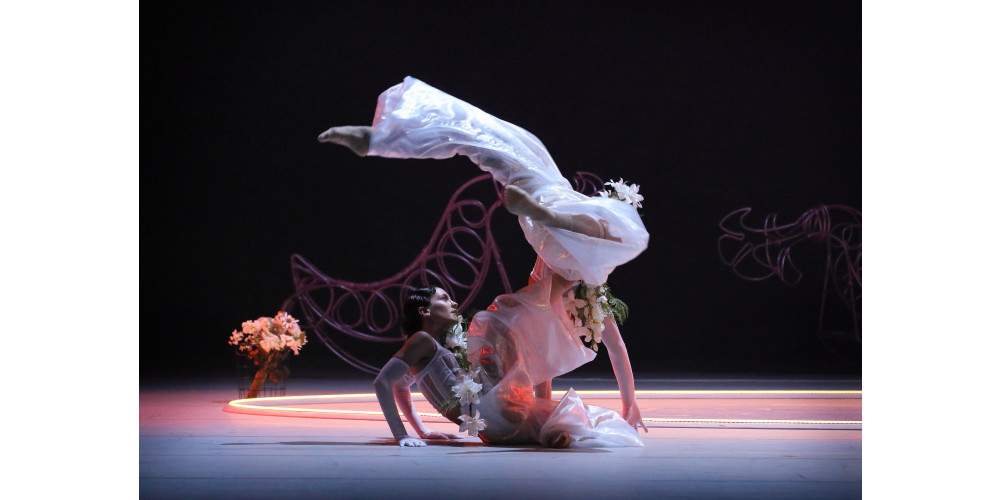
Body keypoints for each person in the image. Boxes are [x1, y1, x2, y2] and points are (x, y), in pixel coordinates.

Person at [321, 77, 650, 447]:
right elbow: (607, 353)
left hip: (545, 247)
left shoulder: (568, 305)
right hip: (549, 242)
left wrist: (420, 432)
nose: (452, 303)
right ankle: (381, 141)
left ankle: (380, 140)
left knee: (509, 146)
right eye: (441, 300)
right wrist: (628, 403)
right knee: (515, 151)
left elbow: (546, 364)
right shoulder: (587, 300)